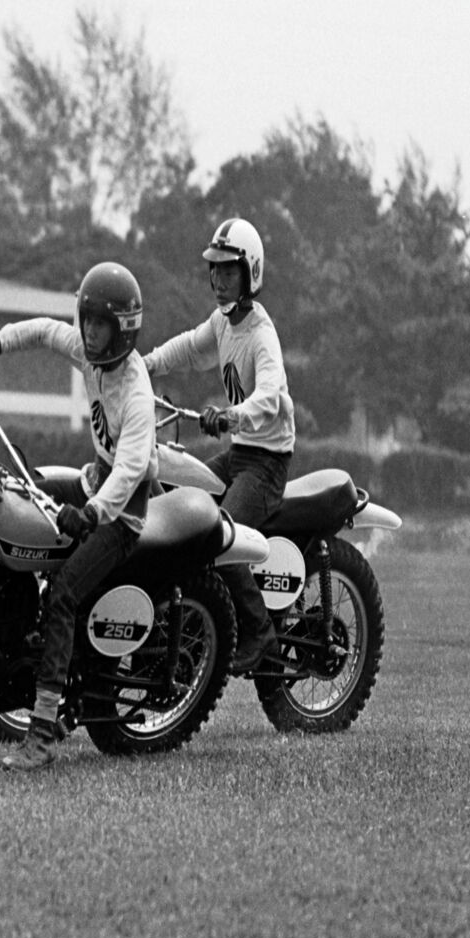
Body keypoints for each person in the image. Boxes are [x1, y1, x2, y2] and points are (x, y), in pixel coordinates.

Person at [0, 261, 155, 769]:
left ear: (123, 330)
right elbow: (46, 331)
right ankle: (14, 637)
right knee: (12, 498)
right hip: (92, 484)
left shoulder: (136, 393)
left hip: (120, 516)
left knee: (65, 594)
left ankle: (43, 735)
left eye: (101, 325)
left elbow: (130, 471)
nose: (90, 333)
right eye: (87, 320)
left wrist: (90, 514)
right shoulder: (91, 356)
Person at [146, 217, 294, 673]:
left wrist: (231, 416)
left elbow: (269, 398)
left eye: (229, 271)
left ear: (250, 273)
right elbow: (189, 349)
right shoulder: (223, 323)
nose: (218, 280)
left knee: (222, 536)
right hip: (238, 454)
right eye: (215, 270)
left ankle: (260, 633)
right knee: (179, 505)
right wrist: (142, 367)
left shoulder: (262, 336)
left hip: (266, 464)